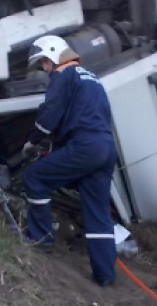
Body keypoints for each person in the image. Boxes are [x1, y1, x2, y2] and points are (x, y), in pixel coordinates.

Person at [20, 34, 119, 287]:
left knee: (34, 176)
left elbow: (49, 115)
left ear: (52, 54)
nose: (43, 68)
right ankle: (105, 275)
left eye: (42, 62)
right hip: (106, 147)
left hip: (85, 145)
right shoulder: (91, 77)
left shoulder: (63, 75)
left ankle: (41, 238)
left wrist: (32, 142)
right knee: (97, 212)